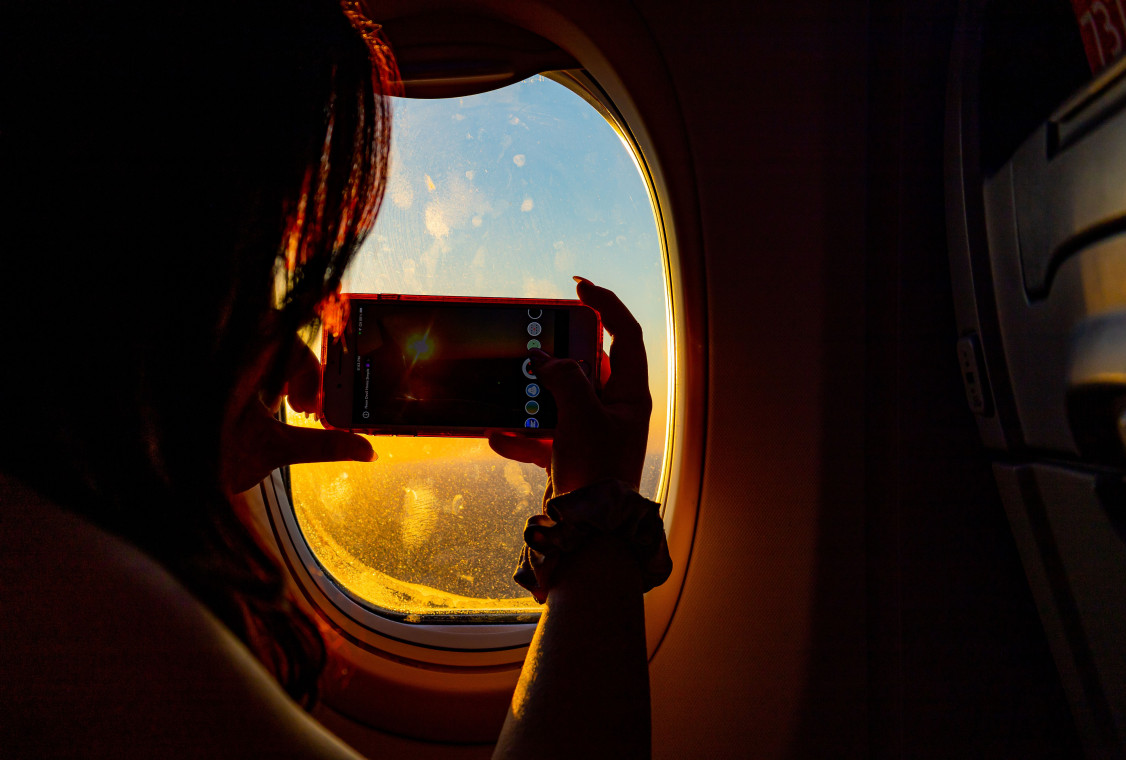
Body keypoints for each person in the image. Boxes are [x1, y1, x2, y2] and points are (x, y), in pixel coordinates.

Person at [0, 1, 668, 758]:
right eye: (269, 281)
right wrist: (598, 519)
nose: (301, 363)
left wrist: (193, 457)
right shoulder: (73, 615)